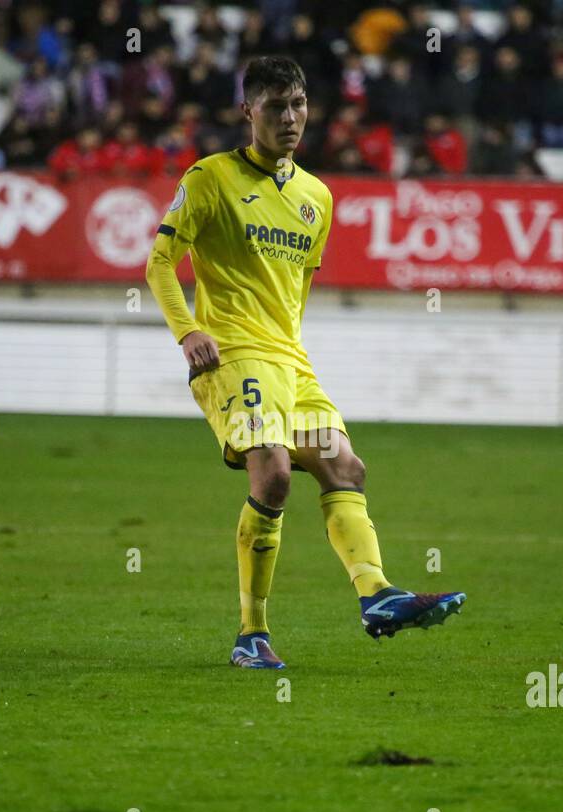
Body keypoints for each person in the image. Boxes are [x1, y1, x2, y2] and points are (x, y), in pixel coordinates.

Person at [144, 56, 466, 670]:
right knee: (274, 476)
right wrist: (187, 332)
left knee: (345, 467)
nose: (290, 118)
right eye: (274, 107)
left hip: (290, 360)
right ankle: (251, 635)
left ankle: (377, 596)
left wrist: (291, 351)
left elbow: (295, 291)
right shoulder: (209, 178)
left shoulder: (317, 196)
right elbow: (160, 263)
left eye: (298, 105)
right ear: (248, 112)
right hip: (234, 353)